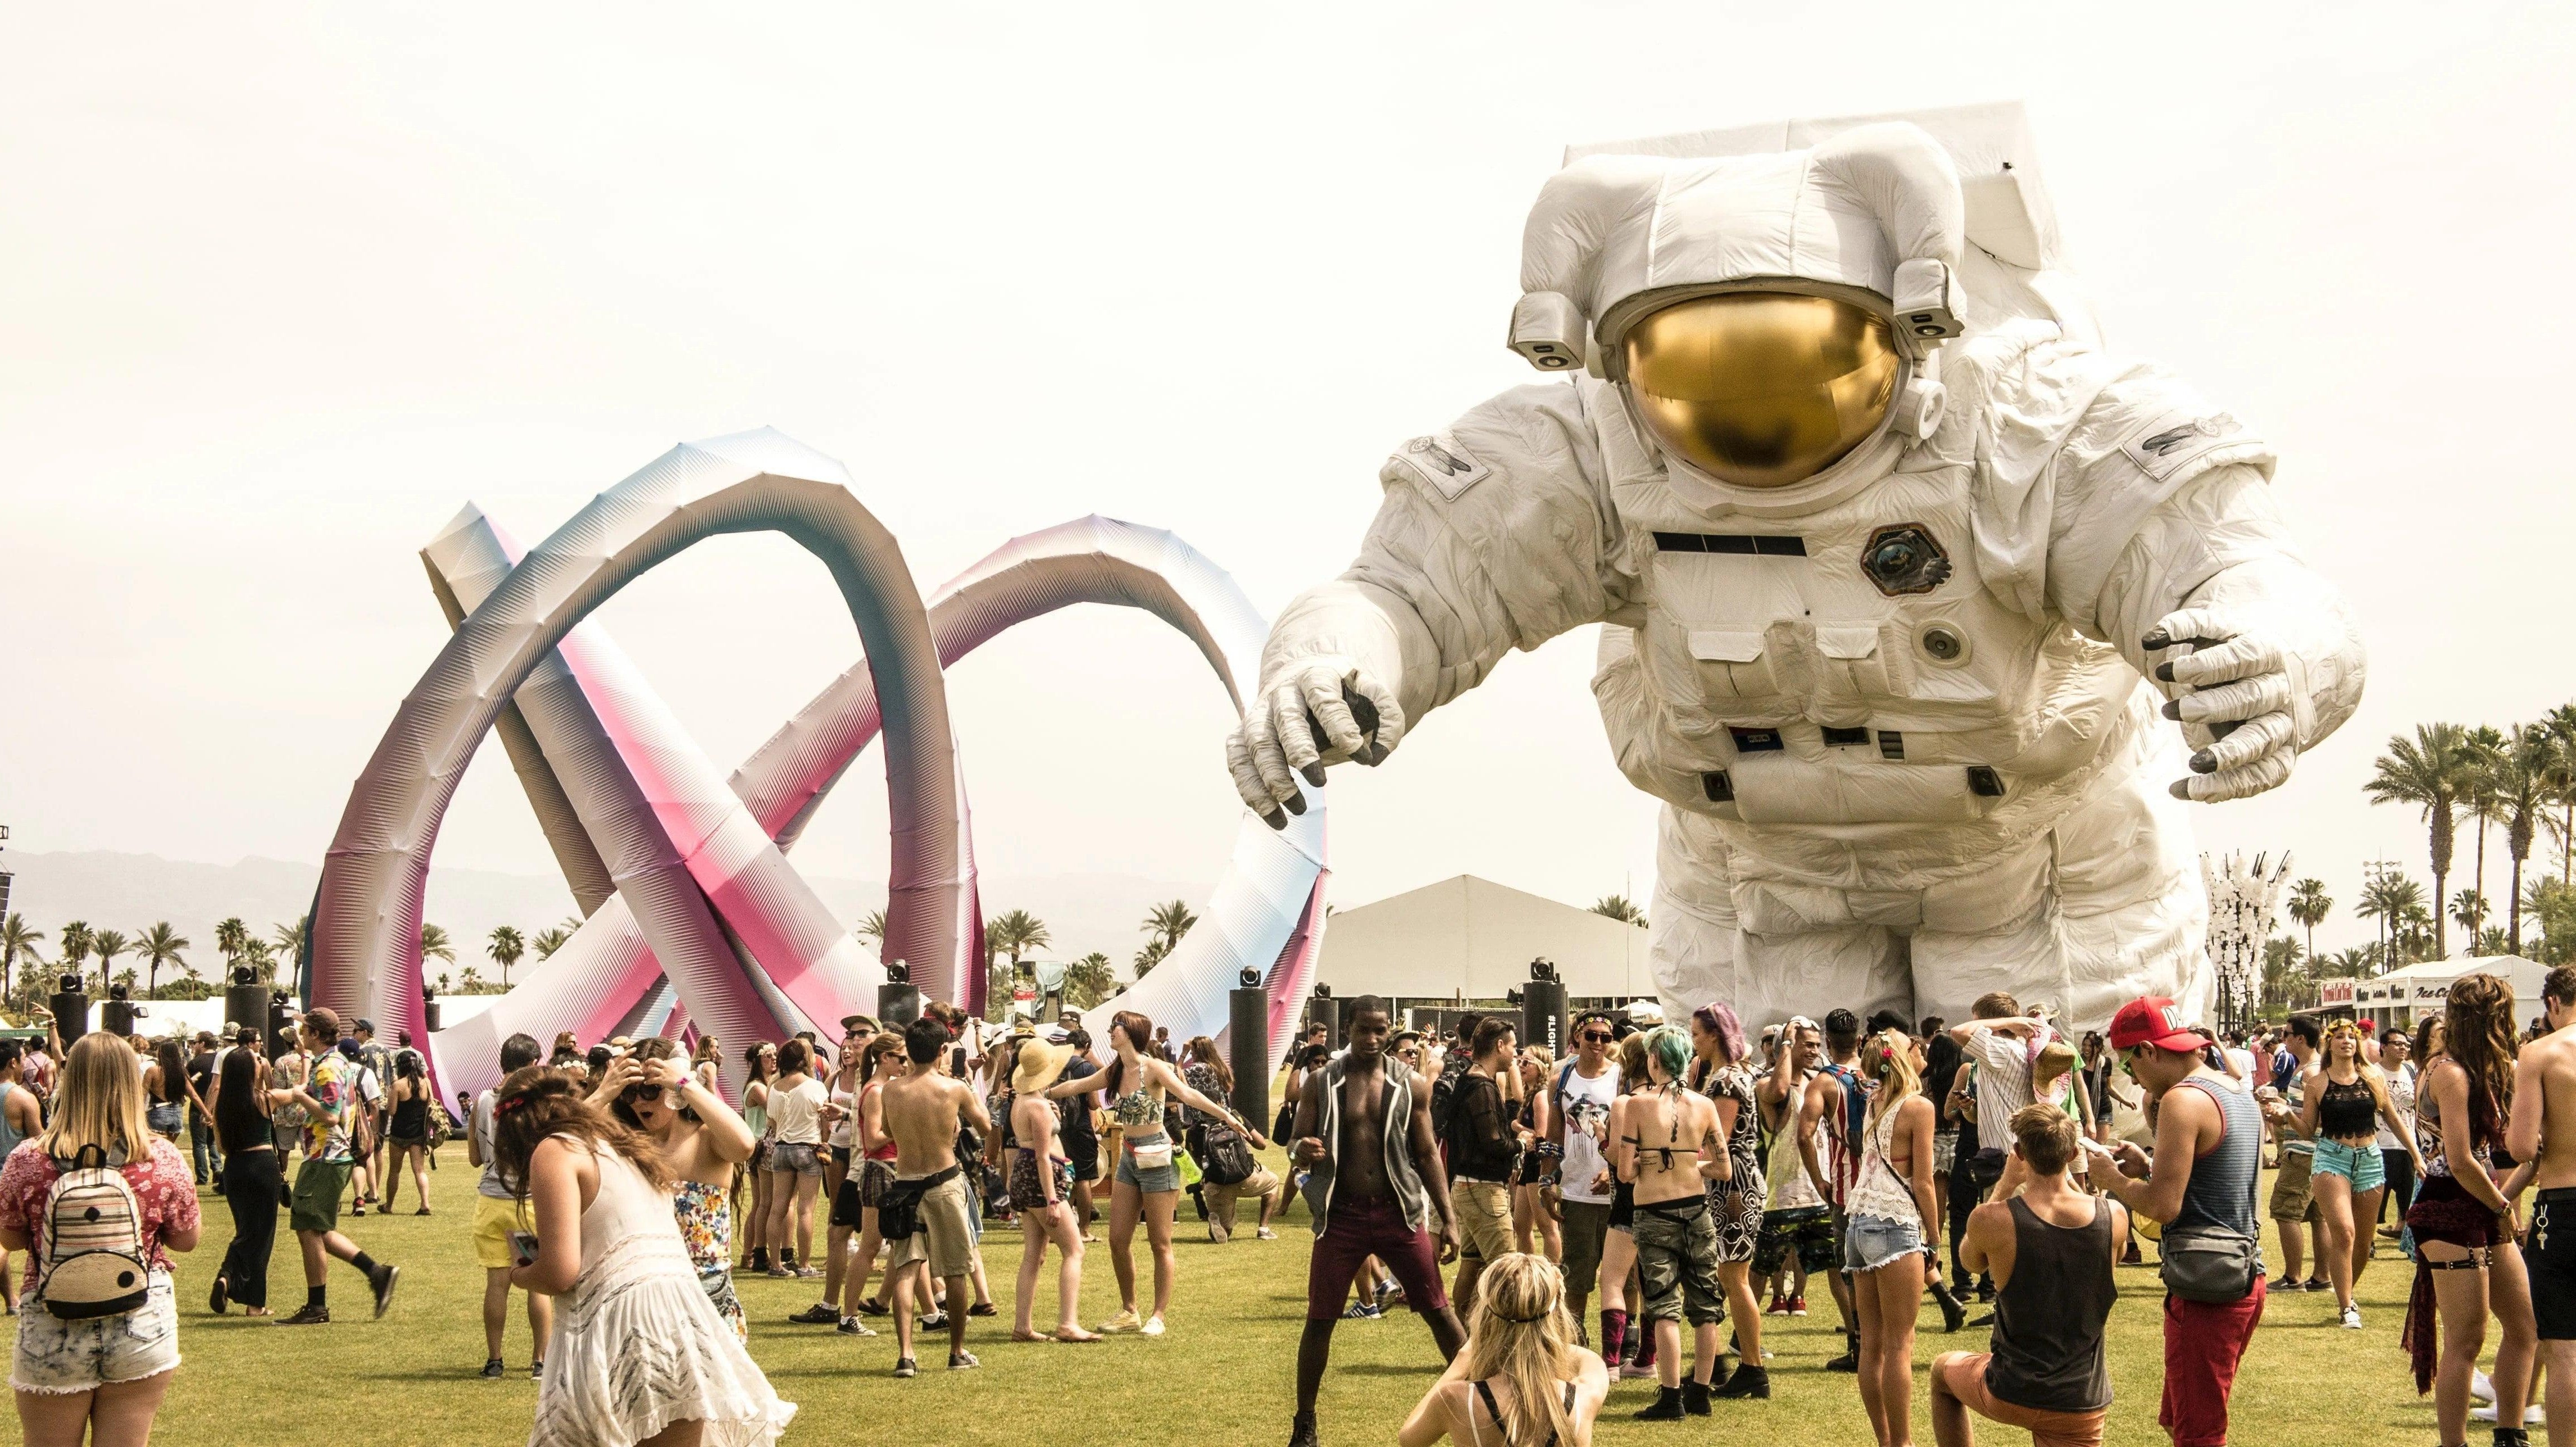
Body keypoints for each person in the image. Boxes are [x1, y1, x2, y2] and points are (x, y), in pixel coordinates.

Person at [1221, 116, 2364, 1036]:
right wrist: (1329, 662)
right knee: (1770, 1181)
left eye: (1798, 351)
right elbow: (1406, 589)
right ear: (1616, 363)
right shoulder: (1588, 451)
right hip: (1760, 886)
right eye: (1693, 361)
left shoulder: (2028, 417)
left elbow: (2234, 558)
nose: (1747, 398)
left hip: (2042, 868)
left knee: (2055, 1152)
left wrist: (2264, 655)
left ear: (1913, 334)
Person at [490, 1066, 794, 1445]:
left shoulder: (555, 1150)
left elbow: (560, 1273)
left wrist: (519, 1273)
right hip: (684, 1318)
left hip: (629, 1322)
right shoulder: (623, 1144)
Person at [0, 1033, 200, 1447]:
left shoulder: (28, 1159)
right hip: (140, 1320)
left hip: (52, 1322)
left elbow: (10, 1236)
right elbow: (185, 1240)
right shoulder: (160, 1157)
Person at [1288, 996, 1466, 1447]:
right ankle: (1304, 1423)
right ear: (1347, 1029)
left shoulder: (1411, 1084)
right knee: (1320, 1319)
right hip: (1341, 1215)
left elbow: (1427, 1154)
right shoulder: (1321, 1082)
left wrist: (1449, 1219)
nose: (1371, 1038)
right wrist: (1300, 1151)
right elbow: (1293, 1142)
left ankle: (1484, 1402)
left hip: (1398, 1213)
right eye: (1363, 1029)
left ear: (1390, 1032)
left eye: (1380, 1030)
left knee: (1439, 1312)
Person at [2097, 997, 2265, 1447]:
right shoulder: (2234, 1090)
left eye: (2129, 1064)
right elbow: (2212, 1183)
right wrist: (2149, 1165)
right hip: (2241, 1273)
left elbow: (2163, 1206)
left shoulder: (2180, 1101)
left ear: (2149, 1051)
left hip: (2208, 1287)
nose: (2131, 1077)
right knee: (2181, 1419)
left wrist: (2111, 1179)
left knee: (2199, 1433)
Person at [1930, 1104, 2126, 1447]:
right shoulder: (2114, 1216)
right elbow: (2112, 1252)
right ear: (2073, 1153)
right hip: (2080, 1397)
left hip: (2011, 1387)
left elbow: (1970, 1262)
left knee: (1942, 1372)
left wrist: (2005, 1183)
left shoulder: (1992, 1219)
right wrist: (2069, 1180)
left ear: (2019, 1153)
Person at [1045, 1009, 1248, 1337]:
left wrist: (1226, 1115)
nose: (1111, 1031)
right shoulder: (1114, 1071)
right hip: (1129, 1157)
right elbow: (1080, 1085)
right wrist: (1042, 1093)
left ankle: (1158, 1315)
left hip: (1157, 1157)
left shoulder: (1153, 1068)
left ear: (1133, 1032)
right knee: (1117, 1240)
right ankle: (1129, 1311)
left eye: (1117, 1027)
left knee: (1160, 1242)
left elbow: (1188, 1095)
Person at [2406, 972, 2537, 1446]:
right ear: (2490, 1018)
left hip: (2478, 1203)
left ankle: (2510, 1432)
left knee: (2526, 1326)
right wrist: (2503, 1205)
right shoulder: (2449, 1072)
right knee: (2466, 1339)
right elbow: (2460, 1161)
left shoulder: (2467, 1068)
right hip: (2449, 1206)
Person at [602, 1037, 758, 1344]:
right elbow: (558, 1144)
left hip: (704, 1292)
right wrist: (603, 1093)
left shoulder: (706, 1138)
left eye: (651, 1089)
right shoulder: (627, 1144)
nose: (640, 1102)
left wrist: (686, 1082)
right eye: (631, 1092)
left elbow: (744, 1145)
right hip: (644, 1295)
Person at [1618, 1025, 1725, 1420]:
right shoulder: (1705, 1105)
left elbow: (1625, 1173)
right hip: (1696, 1210)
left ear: (1654, 1060)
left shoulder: (1638, 1105)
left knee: (1663, 1307)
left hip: (1654, 1212)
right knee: (1705, 1305)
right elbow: (1723, 1168)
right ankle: (1699, 1393)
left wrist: (1651, 1159)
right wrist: (1689, 1160)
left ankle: (1670, 1397)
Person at [266, 1007, 397, 1325]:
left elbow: (329, 1114)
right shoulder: (334, 1062)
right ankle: (376, 1273)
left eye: (304, 1030)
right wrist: (283, 1095)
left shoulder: (328, 1068)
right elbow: (312, 1097)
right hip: (328, 1155)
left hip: (326, 1156)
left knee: (307, 1229)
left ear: (313, 1034)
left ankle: (318, 1306)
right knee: (317, 1228)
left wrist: (297, 1095)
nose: (300, 1035)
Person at [1398, 1253, 1610, 1447]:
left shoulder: (1457, 1399)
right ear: (1554, 1314)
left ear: (1485, 1317)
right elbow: (1582, 1356)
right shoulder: (1585, 1394)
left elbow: (1408, 1439)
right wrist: (1546, 1319)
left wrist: (1466, 1355)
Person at [879, 1015, 991, 1377]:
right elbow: (986, 1126)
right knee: (957, 1271)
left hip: (905, 1184)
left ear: (908, 1051)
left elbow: (886, 1131)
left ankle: (906, 1356)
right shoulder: (953, 1088)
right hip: (944, 1183)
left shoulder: (891, 1090)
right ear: (943, 1050)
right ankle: (957, 1351)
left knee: (906, 1270)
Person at [1846, 1028, 1942, 1447]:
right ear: (1903, 1058)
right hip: (1895, 1221)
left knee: (1871, 1345)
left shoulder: (1873, 1101)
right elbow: (1922, 1182)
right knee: (1900, 1345)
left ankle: (1887, 1441)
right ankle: (1902, 1442)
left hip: (1857, 1220)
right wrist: (1934, 1237)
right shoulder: (1918, 1107)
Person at [2300, 1018, 2419, 1328]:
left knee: (2363, 1243)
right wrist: (2287, 1114)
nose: (2346, 1042)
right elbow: (2308, 1129)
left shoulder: (2372, 1077)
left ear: (2359, 1044)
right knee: (2345, 1232)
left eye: (2351, 1037)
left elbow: (2393, 1119)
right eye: (2339, 1037)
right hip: (2331, 1158)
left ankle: (2347, 1293)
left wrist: (2416, 1156)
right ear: (2330, 1043)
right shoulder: (2317, 1081)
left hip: (2369, 1158)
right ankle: (2346, 1307)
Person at [1683, 1003, 1768, 1399]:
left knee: (1732, 1277)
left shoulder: (1725, 1082)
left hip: (1731, 1188)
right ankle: (1722, 1361)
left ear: (1714, 1035)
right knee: (1726, 1277)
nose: (1693, 1042)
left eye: (1697, 1035)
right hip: (1737, 1184)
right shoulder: (1731, 1075)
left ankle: (1750, 1367)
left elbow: (1716, 1141)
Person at [2509, 964, 2576, 1446]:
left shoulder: (2540, 1053)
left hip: (2564, 1200)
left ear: (2552, 1004)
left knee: (2565, 1352)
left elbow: (2521, 1147)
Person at [1003, 1035, 1098, 1343]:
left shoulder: (1023, 1101)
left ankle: (1023, 1325)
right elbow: (1043, 1158)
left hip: (1026, 1177)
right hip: (1043, 1179)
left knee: (1035, 1254)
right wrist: (1053, 1200)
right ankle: (1068, 1323)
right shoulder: (1038, 1107)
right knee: (1074, 1250)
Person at [469, 1032, 552, 1378]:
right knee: (536, 1283)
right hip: (527, 1203)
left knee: (497, 1284)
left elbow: (475, 1158)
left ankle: (494, 1360)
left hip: (490, 1201)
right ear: (533, 1065)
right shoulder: (536, 1104)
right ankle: (539, 1362)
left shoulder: (483, 1101)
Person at [1547, 1011, 1623, 1341]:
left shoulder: (1622, 1077)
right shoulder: (1562, 1079)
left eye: (1606, 1038)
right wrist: (1546, 1182)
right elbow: (1552, 1136)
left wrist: (1614, 1167)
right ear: (1577, 1037)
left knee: (1624, 1275)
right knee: (1577, 1274)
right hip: (1576, 1190)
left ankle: (1623, 1344)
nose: (1599, 1043)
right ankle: (1575, 1339)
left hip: (1618, 1192)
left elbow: (1631, 1130)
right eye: (1591, 1036)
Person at [1445, 1017, 1525, 1322]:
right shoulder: (1482, 1087)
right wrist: (1521, 1144)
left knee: (1472, 1263)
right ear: (1499, 1046)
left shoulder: (1470, 1079)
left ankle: (1463, 1338)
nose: (1516, 1055)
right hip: (1483, 1190)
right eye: (1514, 1047)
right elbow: (1493, 1142)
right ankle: (1505, 1342)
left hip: (1466, 1187)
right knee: (1509, 1271)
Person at [1801, 1008, 1869, 1370]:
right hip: (1884, 1186)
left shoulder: (1823, 1084)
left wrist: (1819, 1181)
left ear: (1828, 1041)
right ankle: (1884, 1343)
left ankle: (1859, 1347)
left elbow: (1804, 1136)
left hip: (1844, 1189)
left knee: (1851, 1270)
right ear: (1859, 1039)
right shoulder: (1880, 1074)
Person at [1756, 1018, 1834, 1321]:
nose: (1815, 1051)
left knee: (1836, 1267)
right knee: (1764, 1266)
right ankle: (1745, 1335)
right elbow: (1778, 1090)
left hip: (1819, 1189)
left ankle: (1855, 1337)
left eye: (1818, 1045)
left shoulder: (1819, 1083)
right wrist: (1786, 1042)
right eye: (1808, 1045)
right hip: (1781, 1194)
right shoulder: (1766, 1084)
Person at [206, 1038, 277, 1319]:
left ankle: (227, 1277)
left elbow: (221, 1147)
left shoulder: (221, 1106)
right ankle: (255, 1304)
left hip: (234, 1169)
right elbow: (298, 1094)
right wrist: (305, 1060)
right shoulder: (263, 1100)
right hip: (262, 1165)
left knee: (246, 1231)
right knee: (262, 1237)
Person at [2266, 1014, 2329, 1293]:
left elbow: (2312, 1122)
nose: (2283, 1039)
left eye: (2287, 1034)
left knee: (2286, 1212)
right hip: (2315, 1154)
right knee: (2319, 1216)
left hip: (2304, 1153)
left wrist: (2285, 1111)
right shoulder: (2310, 1068)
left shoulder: (2310, 1071)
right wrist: (2280, 1104)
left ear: (2300, 1039)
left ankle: (2293, 1277)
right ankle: (2322, 1277)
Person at [762, 1039, 829, 1280]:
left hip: (781, 1149)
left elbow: (772, 1122)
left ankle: (776, 1265)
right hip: (808, 1147)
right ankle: (805, 1264)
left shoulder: (775, 1087)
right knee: (806, 1210)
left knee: (777, 1208)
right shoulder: (815, 1087)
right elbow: (825, 1122)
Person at [1512, 1047, 1561, 1264]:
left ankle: (1552, 1273)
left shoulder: (1542, 1096)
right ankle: (1528, 1271)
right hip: (1528, 1163)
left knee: (1547, 1226)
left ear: (1541, 1067)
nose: (1521, 1066)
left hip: (1539, 1163)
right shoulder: (1530, 1093)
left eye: (1527, 1063)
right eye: (1520, 1061)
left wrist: (1518, 1128)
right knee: (1521, 1225)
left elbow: (1543, 1136)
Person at [378, 1048, 434, 1216]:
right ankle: (425, 1204)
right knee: (420, 1171)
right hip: (418, 1135)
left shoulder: (398, 1085)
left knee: (395, 1171)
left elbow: (393, 1111)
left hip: (399, 1134)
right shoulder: (427, 1083)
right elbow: (430, 1105)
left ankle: (389, 1206)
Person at [737, 1042, 778, 1274]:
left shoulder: (763, 1084)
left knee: (761, 1203)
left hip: (758, 1145)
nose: (773, 1059)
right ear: (757, 1061)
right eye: (768, 1056)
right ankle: (750, 1253)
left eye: (775, 1055)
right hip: (759, 1146)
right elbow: (774, 1108)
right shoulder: (758, 1087)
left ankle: (749, 1254)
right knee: (762, 1203)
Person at [2378, 1027, 2420, 1245]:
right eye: (2397, 1044)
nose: (2403, 1048)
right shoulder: (2374, 1073)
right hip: (2380, 1144)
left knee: (2407, 1195)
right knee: (2377, 1197)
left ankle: (2401, 1229)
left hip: (2407, 1144)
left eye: (2406, 1044)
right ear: (2383, 1047)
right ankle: (2367, 1241)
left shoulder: (2410, 1072)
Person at [182, 1035, 221, 1187]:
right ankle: (217, 1168)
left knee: (199, 1144)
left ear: (203, 1044)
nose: (194, 1045)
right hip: (217, 1105)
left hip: (199, 1106)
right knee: (213, 1141)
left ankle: (202, 1176)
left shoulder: (194, 1063)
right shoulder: (219, 1059)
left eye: (196, 1042)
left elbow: (187, 1087)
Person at [140, 1040, 186, 1146]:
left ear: (161, 1053)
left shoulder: (153, 1071)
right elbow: (193, 1095)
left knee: (158, 1150)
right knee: (169, 1148)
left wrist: (138, 1114)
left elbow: (142, 1094)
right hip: (177, 1113)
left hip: (158, 1112)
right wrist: (207, 1114)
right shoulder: (181, 1072)